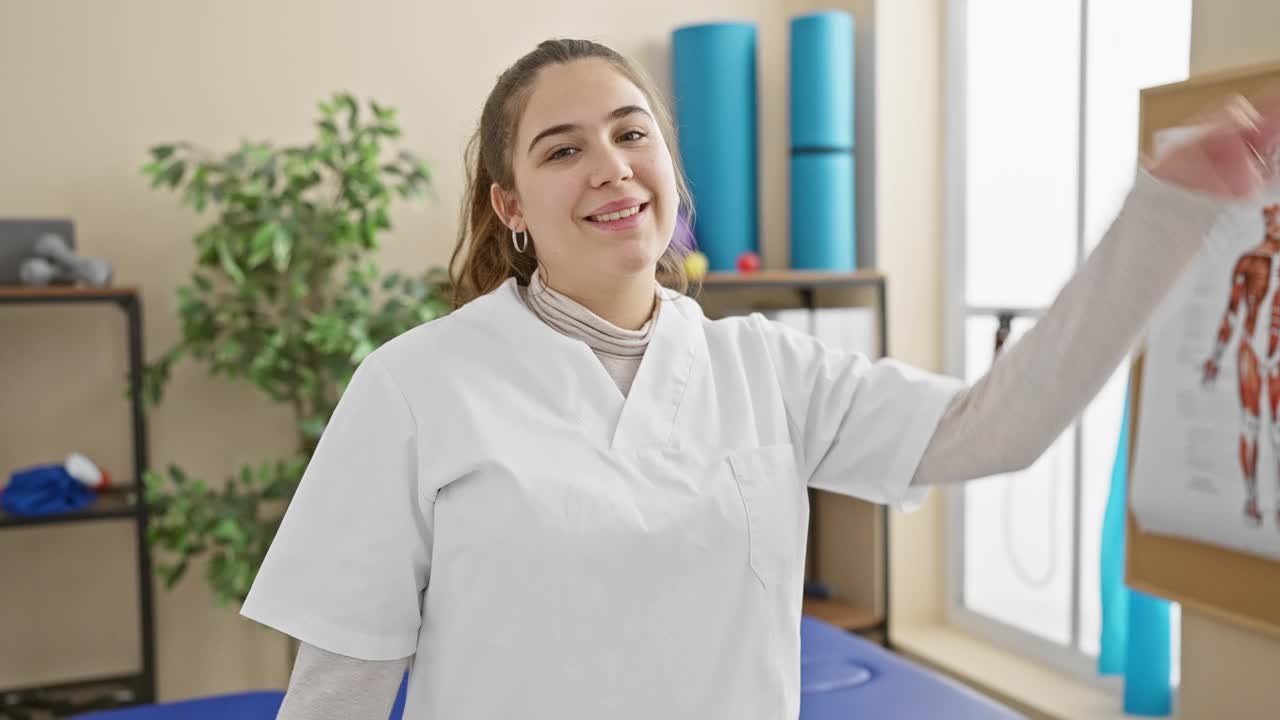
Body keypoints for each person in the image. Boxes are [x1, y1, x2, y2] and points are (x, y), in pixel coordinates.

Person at [239, 38, 1280, 719]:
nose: (608, 165)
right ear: (509, 205)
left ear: (670, 173)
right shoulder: (418, 385)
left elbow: (991, 431)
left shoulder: (762, 366)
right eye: (561, 150)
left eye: (630, 132)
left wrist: (1162, 215)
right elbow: (343, 681)